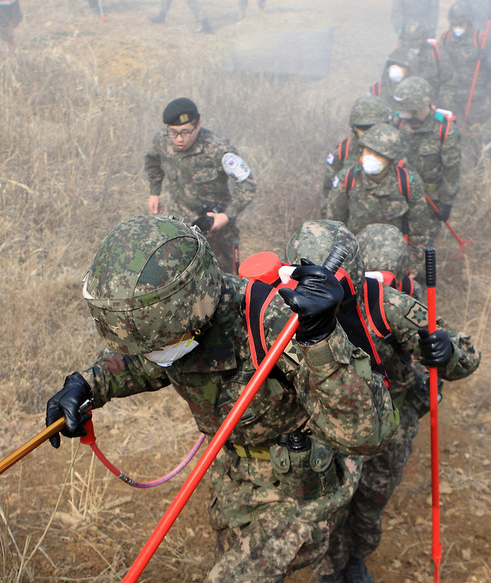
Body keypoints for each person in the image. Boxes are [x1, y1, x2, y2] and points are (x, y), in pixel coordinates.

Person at [44, 215, 399, 582]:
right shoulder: (174, 327)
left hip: (301, 484)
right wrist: (86, 385)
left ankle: (347, 565)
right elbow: (147, 360)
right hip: (231, 475)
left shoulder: (276, 323)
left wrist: (321, 340)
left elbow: (368, 432)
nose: (155, 353)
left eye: (161, 344)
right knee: (229, 554)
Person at [285, 221, 480, 583]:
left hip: (387, 421)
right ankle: (331, 569)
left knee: (370, 501)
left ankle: (356, 559)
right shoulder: (290, 305)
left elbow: (464, 354)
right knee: (326, 509)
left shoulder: (386, 303)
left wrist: (448, 351)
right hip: (325, 425)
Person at [145, 97, 257, 274]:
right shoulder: (163, 140)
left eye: (185, 132)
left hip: (216, 231)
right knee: (180, 277)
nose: (178, 139)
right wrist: (154, 192)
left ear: (198, 125)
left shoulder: (218, 148)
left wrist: (227, 216)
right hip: (180, 226)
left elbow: (247, 183)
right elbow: (152, 161)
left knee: (224, 281)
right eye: (173, 132)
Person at [327, 123, 434, 269]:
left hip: (393, 263)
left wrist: (413, 267)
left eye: (378, 154)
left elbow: (419, 232)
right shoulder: (347, 179)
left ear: (391, 159)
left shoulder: (408, 183)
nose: (371, 157)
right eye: (368, 151)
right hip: (353, 261)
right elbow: (334, 226)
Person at [392, 77, 461, 245]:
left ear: (417, 105)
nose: (403, 112)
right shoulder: (398, 122)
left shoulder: (444, 129)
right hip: (398, 194)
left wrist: (447, 202)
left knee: (422, 246)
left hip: (429, 200)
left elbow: (451, 168)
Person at [323, 96, 393, 210]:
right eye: (363, 128)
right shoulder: (342, 151)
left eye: (374, 127)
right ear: (354, 127)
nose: (369, 132)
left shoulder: (395, 149)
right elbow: (328, 192)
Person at [438, 0, 491, 127]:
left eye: (461, 24)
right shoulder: (445, 38)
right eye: (454, 25)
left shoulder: (480, 38)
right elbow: (440, 63)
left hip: (475, 97)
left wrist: (486, 57)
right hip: (452, 96)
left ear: (468, 22)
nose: (457, 28)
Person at [397, 20, 443, 103]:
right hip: (404, 104)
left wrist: (440, 105)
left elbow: (449, 83)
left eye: (414, 43)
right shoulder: (398, 56)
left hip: (429, 106)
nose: (411, 47)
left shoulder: (436, 54)